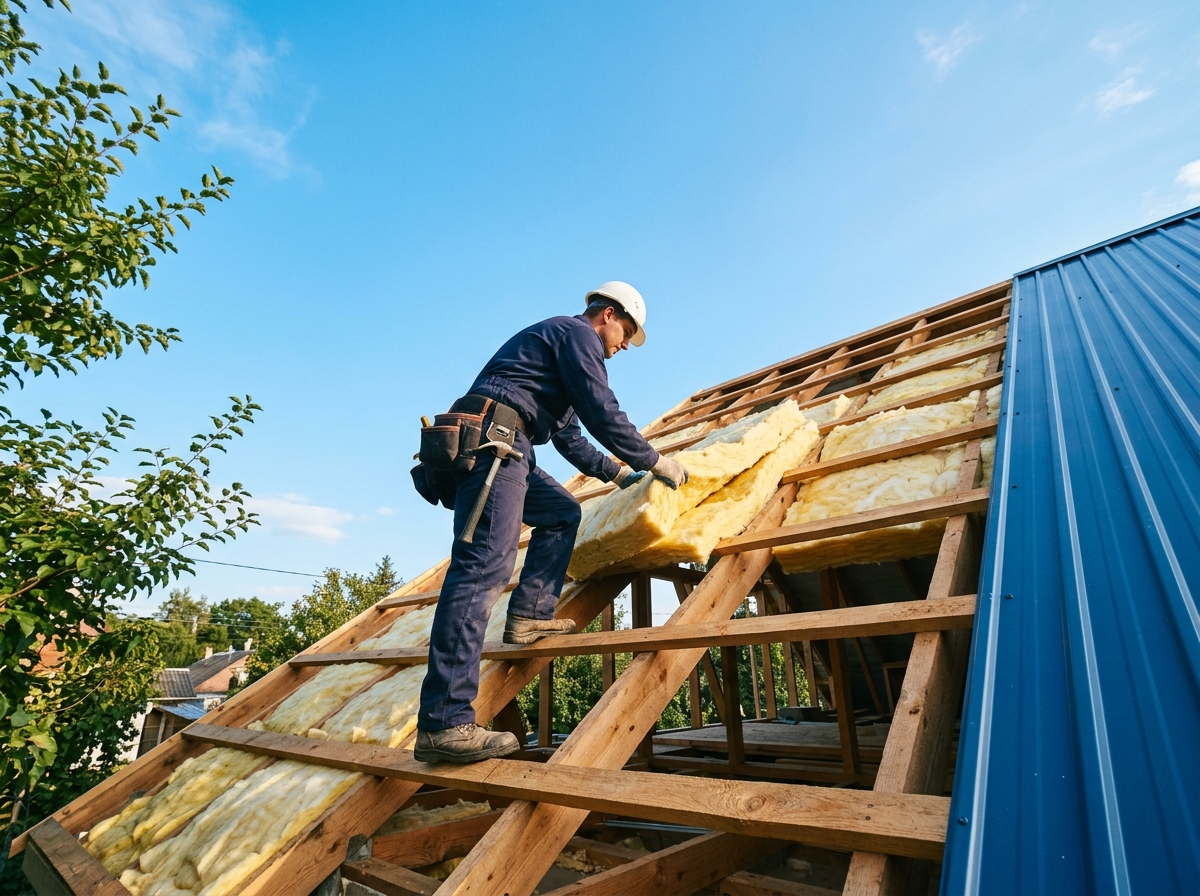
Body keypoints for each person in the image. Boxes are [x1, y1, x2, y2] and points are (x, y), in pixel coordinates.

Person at [413, 281, 689, 763]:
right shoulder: (576, 336)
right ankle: (444, 722)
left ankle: (529, 616)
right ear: (607, 314)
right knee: (480, 571)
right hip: (496, 443)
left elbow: (572, 439)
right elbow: (601, 409)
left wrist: (619, 473)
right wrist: (653, 460)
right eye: (625, 332)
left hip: (509, 444)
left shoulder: (552, 359)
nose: (625, 345)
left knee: (562, 513)